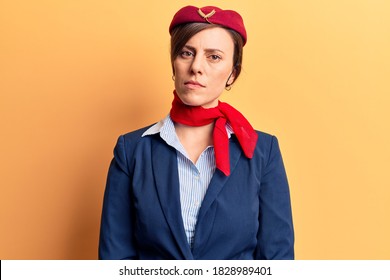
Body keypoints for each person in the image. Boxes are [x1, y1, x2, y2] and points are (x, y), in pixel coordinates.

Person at [99, 5, 294, 260]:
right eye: (186, 53)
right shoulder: (131, 151)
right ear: (174, 63)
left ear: (232, 74)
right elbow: (115, 261)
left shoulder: (262, 151)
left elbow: (277, 260)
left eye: (214, 56)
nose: (196, 67)